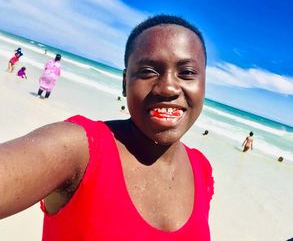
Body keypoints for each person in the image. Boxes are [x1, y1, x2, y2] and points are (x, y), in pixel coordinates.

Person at [0, 15, 214, 240]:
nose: (169, 87)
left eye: (187, 72)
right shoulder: (79, 149)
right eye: (148, 71)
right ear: (124, 83)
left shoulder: (202, 171)